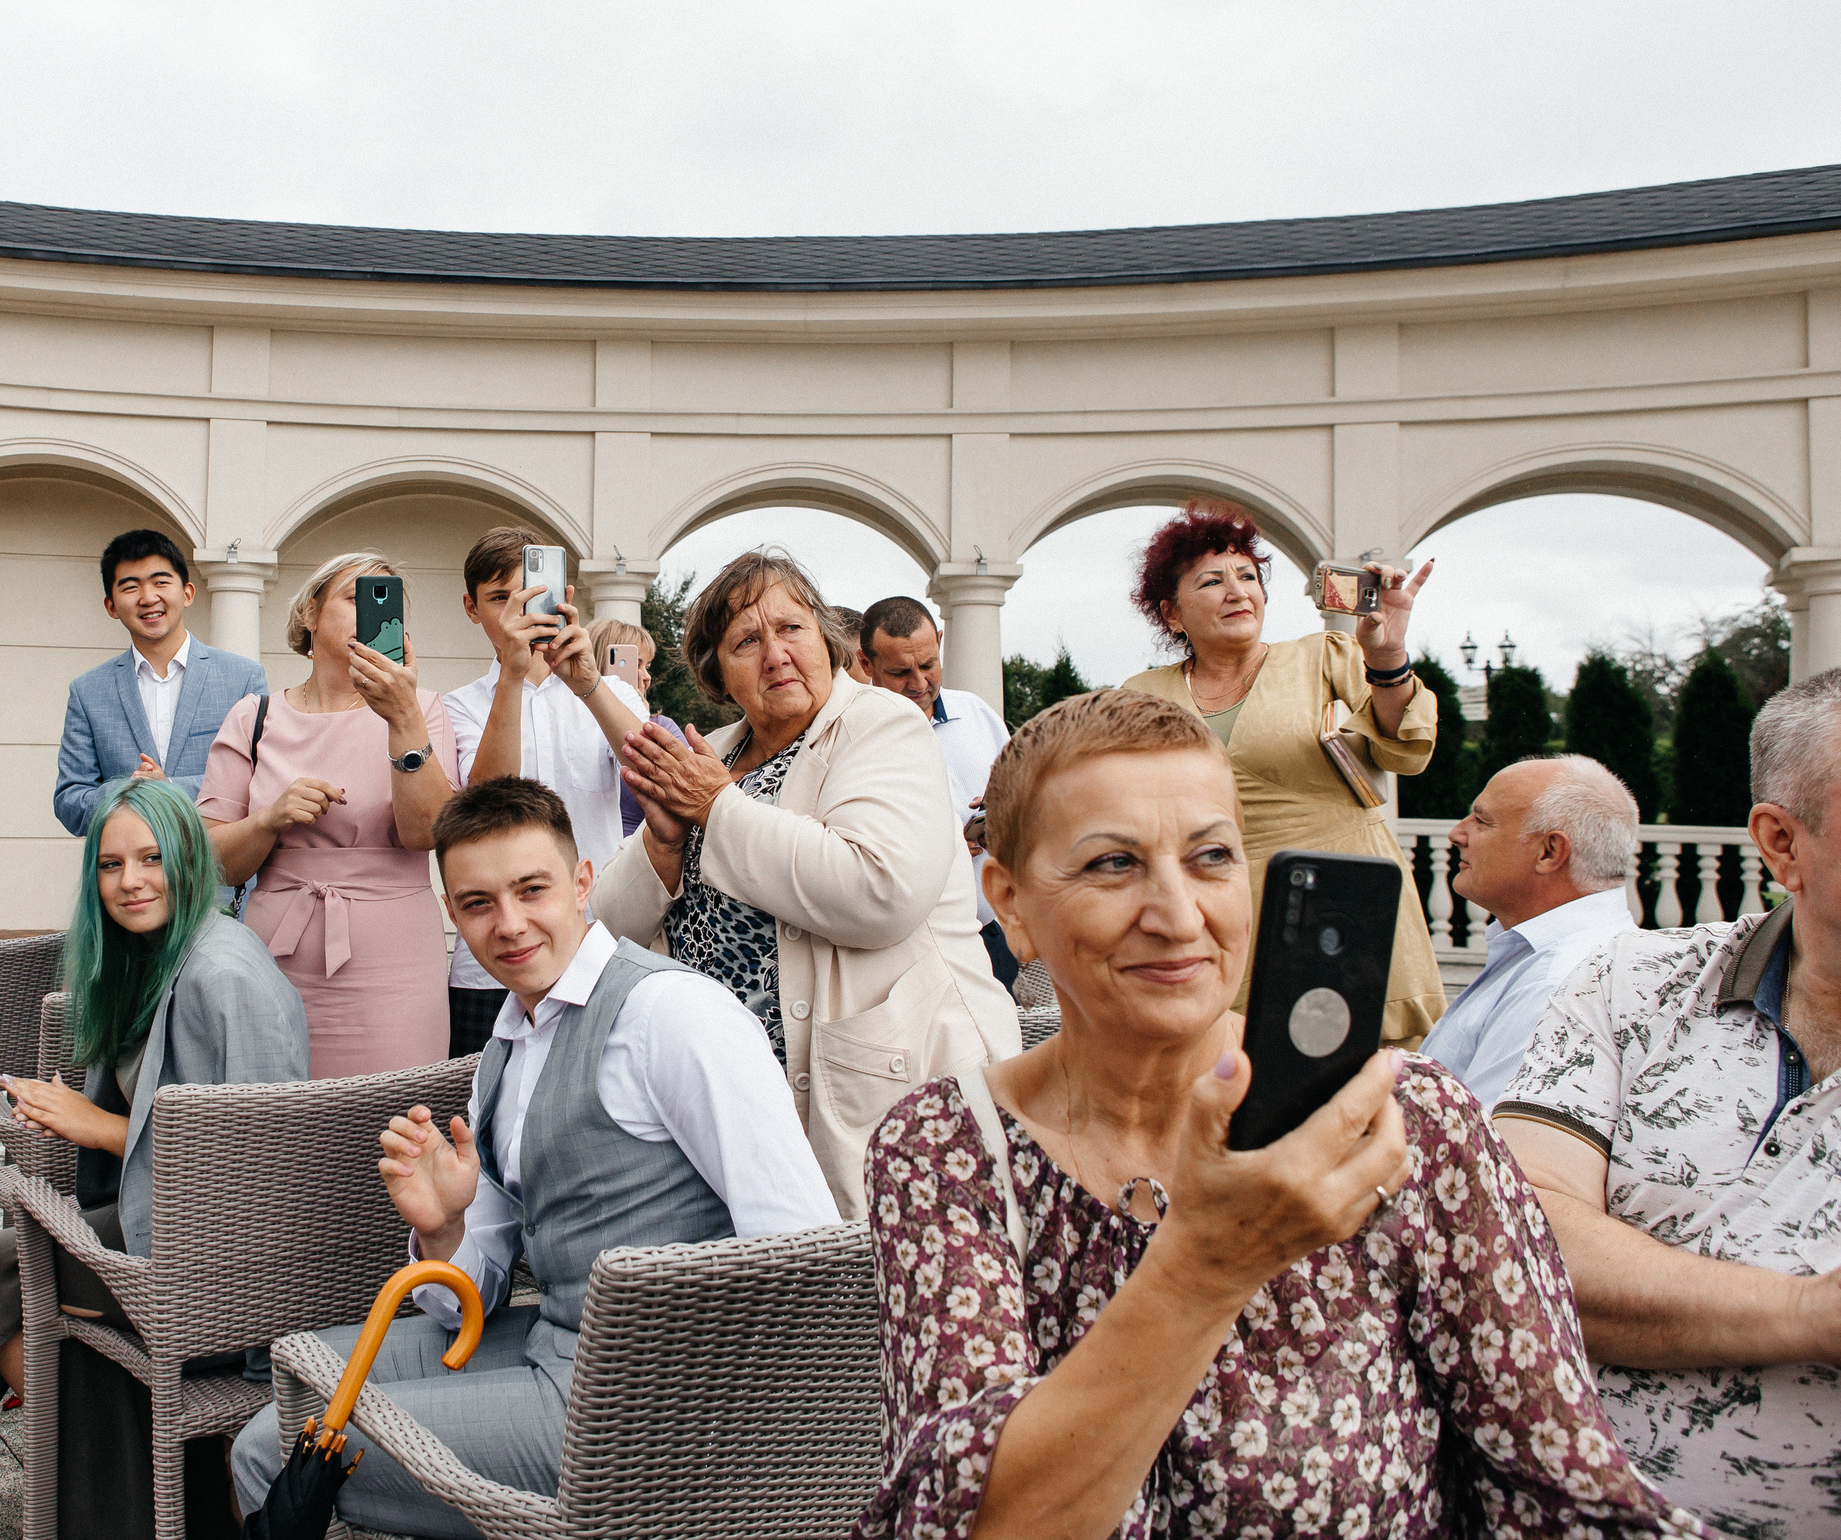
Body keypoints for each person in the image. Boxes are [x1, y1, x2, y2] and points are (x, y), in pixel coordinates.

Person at [854, 689, 1705, 1539]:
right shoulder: (945, 1150)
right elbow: (964, 1520)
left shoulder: (1404, 1123)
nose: (1178, 916)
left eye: (1211, 857)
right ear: (1008, 902)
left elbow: (1567, 1489)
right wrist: (1209, 1264)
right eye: (1113, 863)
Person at [230, 777, 836, 1539]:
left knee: (272, 1447)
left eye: (531, 889)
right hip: (552, 1344)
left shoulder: (671, 1013)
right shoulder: (504, 1051)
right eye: (478, 902)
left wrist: (745, 1430)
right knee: (296, 1375)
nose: (509, 923)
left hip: (651, 1406)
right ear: (453, 914)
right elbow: (470, 1302)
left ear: (582, 883)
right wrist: (444, 1227)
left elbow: (805, 1242)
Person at [0, 775, 307, 1539]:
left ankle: (153, 1495)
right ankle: (179, 1495)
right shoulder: (149, 955)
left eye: (151, 858)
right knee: (3, 1272)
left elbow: (255, 1158)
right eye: (111, 864)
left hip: (223, 1265)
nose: (130, 881)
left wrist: (99, 1127)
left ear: (188, 858)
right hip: (164, 1217)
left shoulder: (223, 973)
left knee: (1, 1277)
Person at [1496, 666, 1841, 1534]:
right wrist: (1811, 1313)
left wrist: (1647, 1279)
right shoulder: (1634, 981)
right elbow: (1520, 1244)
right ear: (1781, 842)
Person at [588, 550, 1020, 1214]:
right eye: (746, 641)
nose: (776, 654)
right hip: (729, 1113)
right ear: (717, 672)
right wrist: (664, 843)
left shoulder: (884, 725)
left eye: (791, 628)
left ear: (826, 639)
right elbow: (604, 929)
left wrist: (717, 809)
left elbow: (879, 891)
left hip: (888, 1098)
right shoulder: (715, 755)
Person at [1119, 501, 1446, 1044]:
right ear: (1171, 613)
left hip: (1345, 894)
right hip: (1220, 909)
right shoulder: (1143, 694)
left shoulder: (1326, 655)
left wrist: (1388, 655)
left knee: (1373, 1067)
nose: (1237, 591)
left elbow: (1403, 750)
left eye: (1248, 576)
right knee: (1240, 1065)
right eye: (1212, 582)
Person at [199, 552, 459, 1076]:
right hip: (276, 960)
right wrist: (269, 819)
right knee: (283, 1102)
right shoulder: (254, 717)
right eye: (355, 597)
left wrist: (403, 716)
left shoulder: (424, 709)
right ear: (309, 614)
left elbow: (427, 832)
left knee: (396, 1105)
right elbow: (214, 861)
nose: (375, 612)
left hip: (396, 962)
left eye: (386, 602)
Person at [441, 529, 644, 1056]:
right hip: (494, 957)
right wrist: (511, 678)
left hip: (597, 937)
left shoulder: (613, 691)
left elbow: (650, 776)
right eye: (499, 599)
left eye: (532, 595)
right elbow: (486, 804)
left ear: (562, 597)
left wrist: (589, 685)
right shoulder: (457, 706)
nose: (519, 612)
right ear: (471, 609)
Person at [1420, 755, 1639, 1107]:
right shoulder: (1563, 955)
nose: (1457, 833)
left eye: (1482, 821)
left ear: (1549, 852)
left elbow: (1484, 1137)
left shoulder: (1556, 985)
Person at [55, 528, 270, 831]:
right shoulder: (87, 692)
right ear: (111, 606)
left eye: (160, 582)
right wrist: (131, 791)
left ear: (187, 593)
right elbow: (70, 802)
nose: (148, 597)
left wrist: (167, 789)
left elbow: (262, 778)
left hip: (218, 859)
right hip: (128, 859)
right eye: (131, 587)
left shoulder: (243, 677)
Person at [859, 596, 1022, 991]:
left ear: (940, 641)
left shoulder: (977, 713)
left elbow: (1027, 799)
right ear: (866, 664)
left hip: (991, 936)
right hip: (908, 953)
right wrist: (938, 850)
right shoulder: (853, 737)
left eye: (928, 665)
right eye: (900, 672)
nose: (919, 683)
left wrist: (1008, 812)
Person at [587, 617, 676, 839]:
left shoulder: (664, 727)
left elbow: (677, 790)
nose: (647, 677)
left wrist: (641, 720)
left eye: (647, 666)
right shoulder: (576, 725)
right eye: (636, 664)